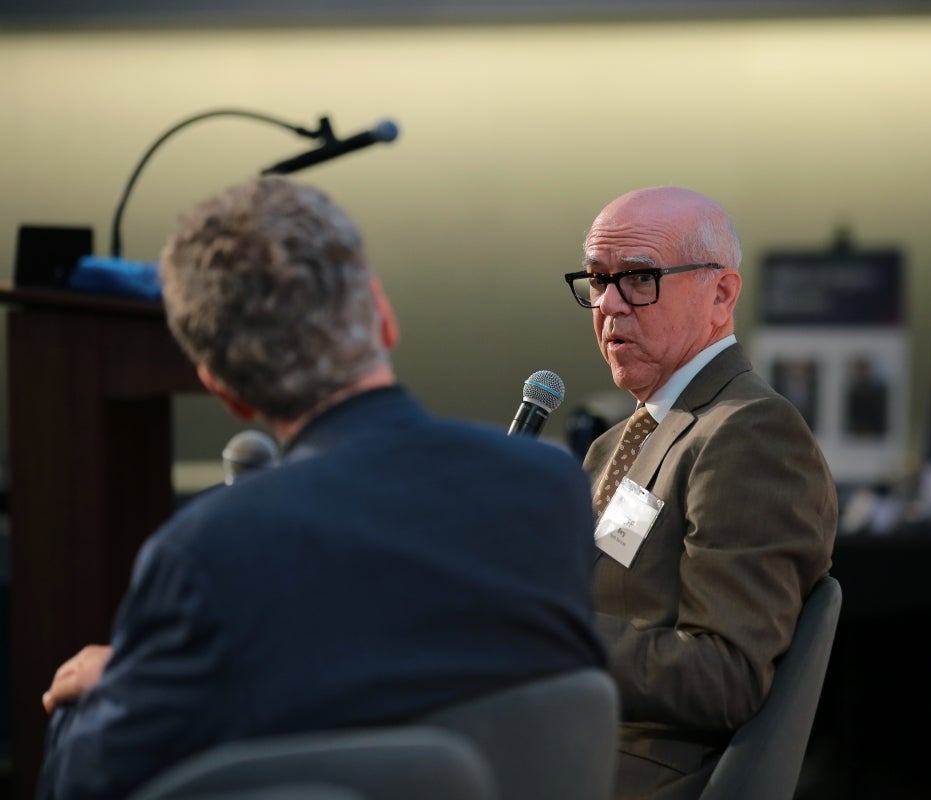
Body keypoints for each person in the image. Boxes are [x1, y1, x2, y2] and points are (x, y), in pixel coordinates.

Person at [37, 176, 606, 800]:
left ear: (222, 389)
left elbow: (91, 783)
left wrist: (117, 689)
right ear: (383, 316)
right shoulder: (550, 488)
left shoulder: (204, 550)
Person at [565, 186, 838, 800]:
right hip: (570, 738)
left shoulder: (750, 432)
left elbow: (727, 676)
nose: (609, 304)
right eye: (596, 279)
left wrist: (554, 632)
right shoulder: (615, 444)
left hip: (644, 774)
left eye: (638, 277)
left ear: (721, 294)